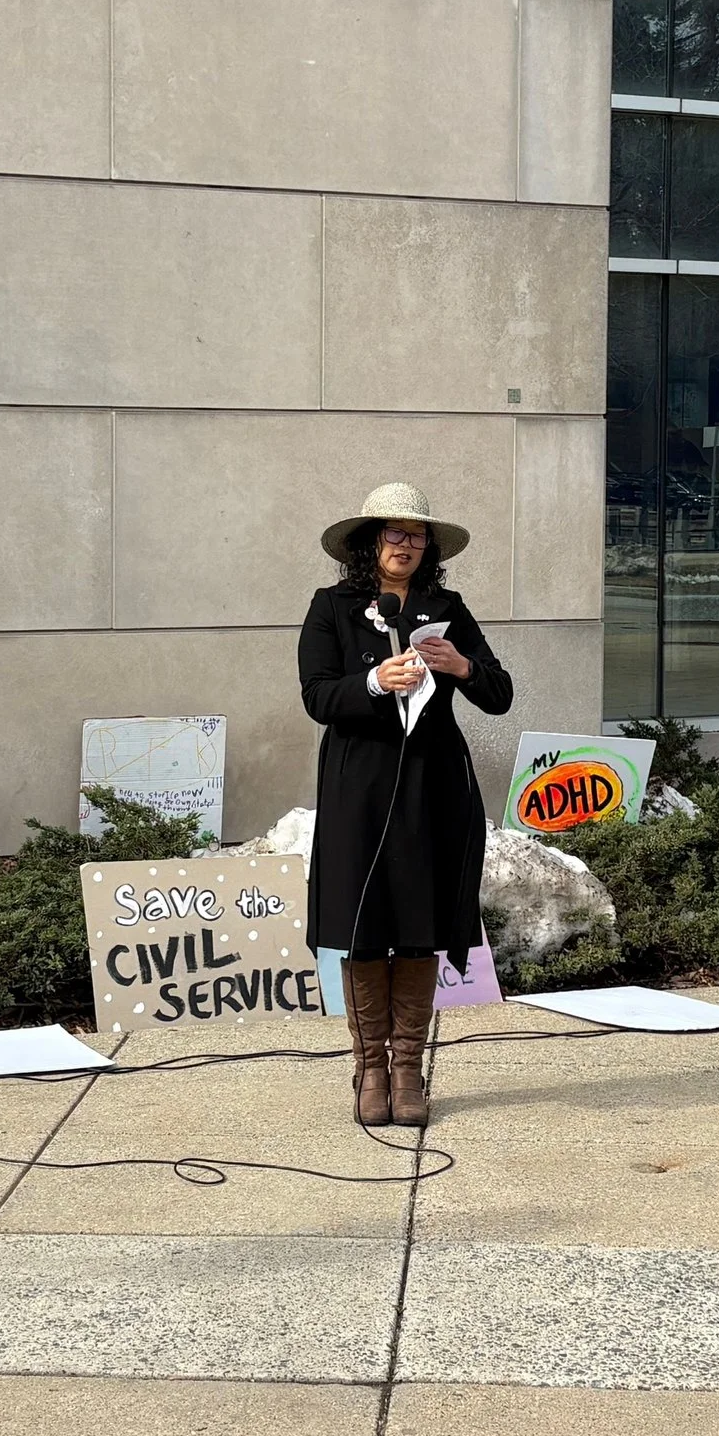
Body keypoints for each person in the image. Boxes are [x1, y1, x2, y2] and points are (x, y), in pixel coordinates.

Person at [300, 484, 513, 1131]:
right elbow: (316, 695)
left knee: (418, 923)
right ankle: (368, 1069)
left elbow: (499, 694)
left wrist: (463, 668)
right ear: (370, 543)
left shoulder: (446, 607)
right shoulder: (331, 607)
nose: (406, 544)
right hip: (358, 786)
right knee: (366, 924)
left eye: (417, 535)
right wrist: (372, 681)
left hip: (433, 785)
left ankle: (407, 1070)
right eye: (394, 533)